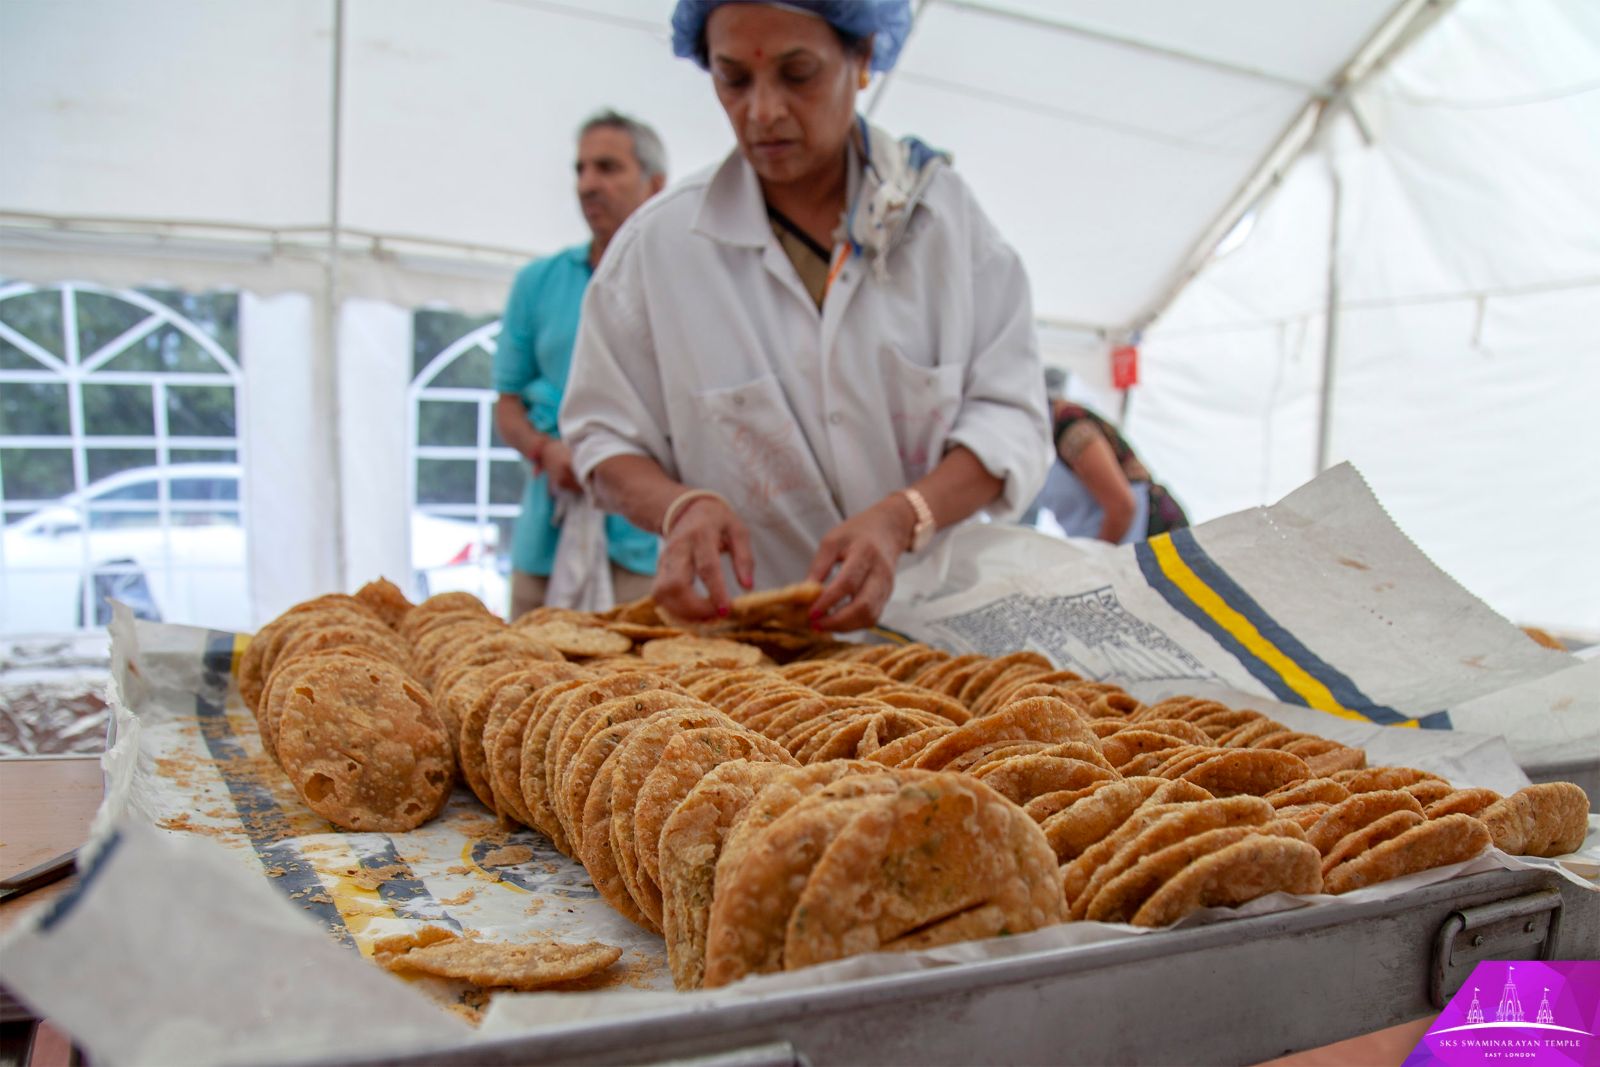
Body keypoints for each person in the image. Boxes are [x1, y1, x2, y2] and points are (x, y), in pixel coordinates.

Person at [561, 0, 1049, 632]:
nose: (762, 112)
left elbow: (1011, 417)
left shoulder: (945, 227)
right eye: (734, 80)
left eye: (798, 74)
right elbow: (601, 435)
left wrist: (903, 516)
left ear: (864, 56)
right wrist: (682, 507)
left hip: (938, 629)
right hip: (751, 645)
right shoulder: (660, 250)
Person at [493, 109, 667, 620]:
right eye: (581, 169)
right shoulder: (538, 282)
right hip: (546, 538)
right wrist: (545, 450)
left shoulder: (681, 287)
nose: (588, 184)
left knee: (646, 693)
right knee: (523, 684)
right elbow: (507, 405)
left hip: (643, 544)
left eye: (608, 168)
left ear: (654, 184)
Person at [1027, 371, 1189, 544]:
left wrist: (1096, 563)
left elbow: (1122, 507)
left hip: (1145, 535)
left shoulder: (1069, 429)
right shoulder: (1030, 451)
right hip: (1108, 545)